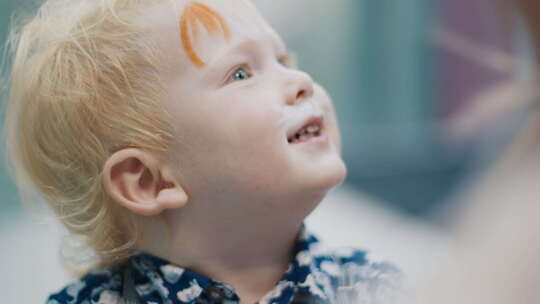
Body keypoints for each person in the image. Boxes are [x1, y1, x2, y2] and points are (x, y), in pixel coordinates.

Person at [3, 0, 401, 303]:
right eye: (241, 73)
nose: (300, 80)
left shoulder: (371, 286)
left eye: (283, 59)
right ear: (148, 180)